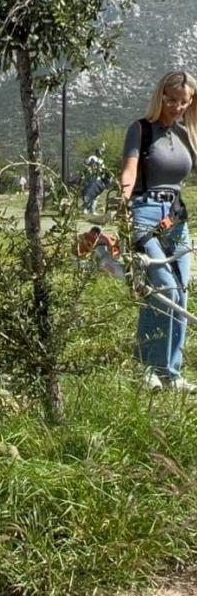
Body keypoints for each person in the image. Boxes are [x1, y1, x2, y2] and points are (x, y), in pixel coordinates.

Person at [120, 70, 197, 392]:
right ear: (159, 95)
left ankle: (171, 373)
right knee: (163, 289)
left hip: (177, 218)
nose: (177, 106)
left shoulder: (187, 135)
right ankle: (148, 368)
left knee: (182, 292)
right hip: (144, 212)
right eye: (171, 99)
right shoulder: (141, 130)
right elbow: (128, 171)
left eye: (184, 101)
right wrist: (122, 213)